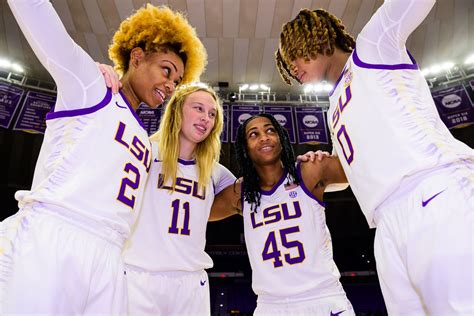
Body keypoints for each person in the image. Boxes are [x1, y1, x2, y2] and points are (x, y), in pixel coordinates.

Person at [0, 0, 206, 314]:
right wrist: (92, 72)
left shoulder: (146, 140)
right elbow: (37, 12)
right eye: (166, 70)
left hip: (111, 256)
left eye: (177, 80)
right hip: (54, 234)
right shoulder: (92, 87)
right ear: (137, 57)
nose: (171, 84)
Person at [275, 2, 473, 314]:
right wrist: (322, 168)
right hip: (385, 224)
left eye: (293, 56)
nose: (292, 69)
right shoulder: (332, 108)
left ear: (316, 38)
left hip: (434, 191)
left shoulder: (372, 48)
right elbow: (357, 171)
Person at [212, 113, 354, 316]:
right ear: (244, 148)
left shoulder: (308, 171)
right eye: (254, 134)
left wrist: (332, 147)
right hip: (271, 305)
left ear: (282, 138)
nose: (264, 137)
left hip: (322, 297)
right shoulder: (240, 193)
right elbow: (197, 212)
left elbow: (355, 167)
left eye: (270, 130)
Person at [122, 82, 236, 315]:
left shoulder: (215, 171)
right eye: (198, 108)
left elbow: (256, 197)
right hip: (138, 275)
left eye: (212, 114)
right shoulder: (146, 151)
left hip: (190, 282)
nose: (206, 117)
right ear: (177, 109)